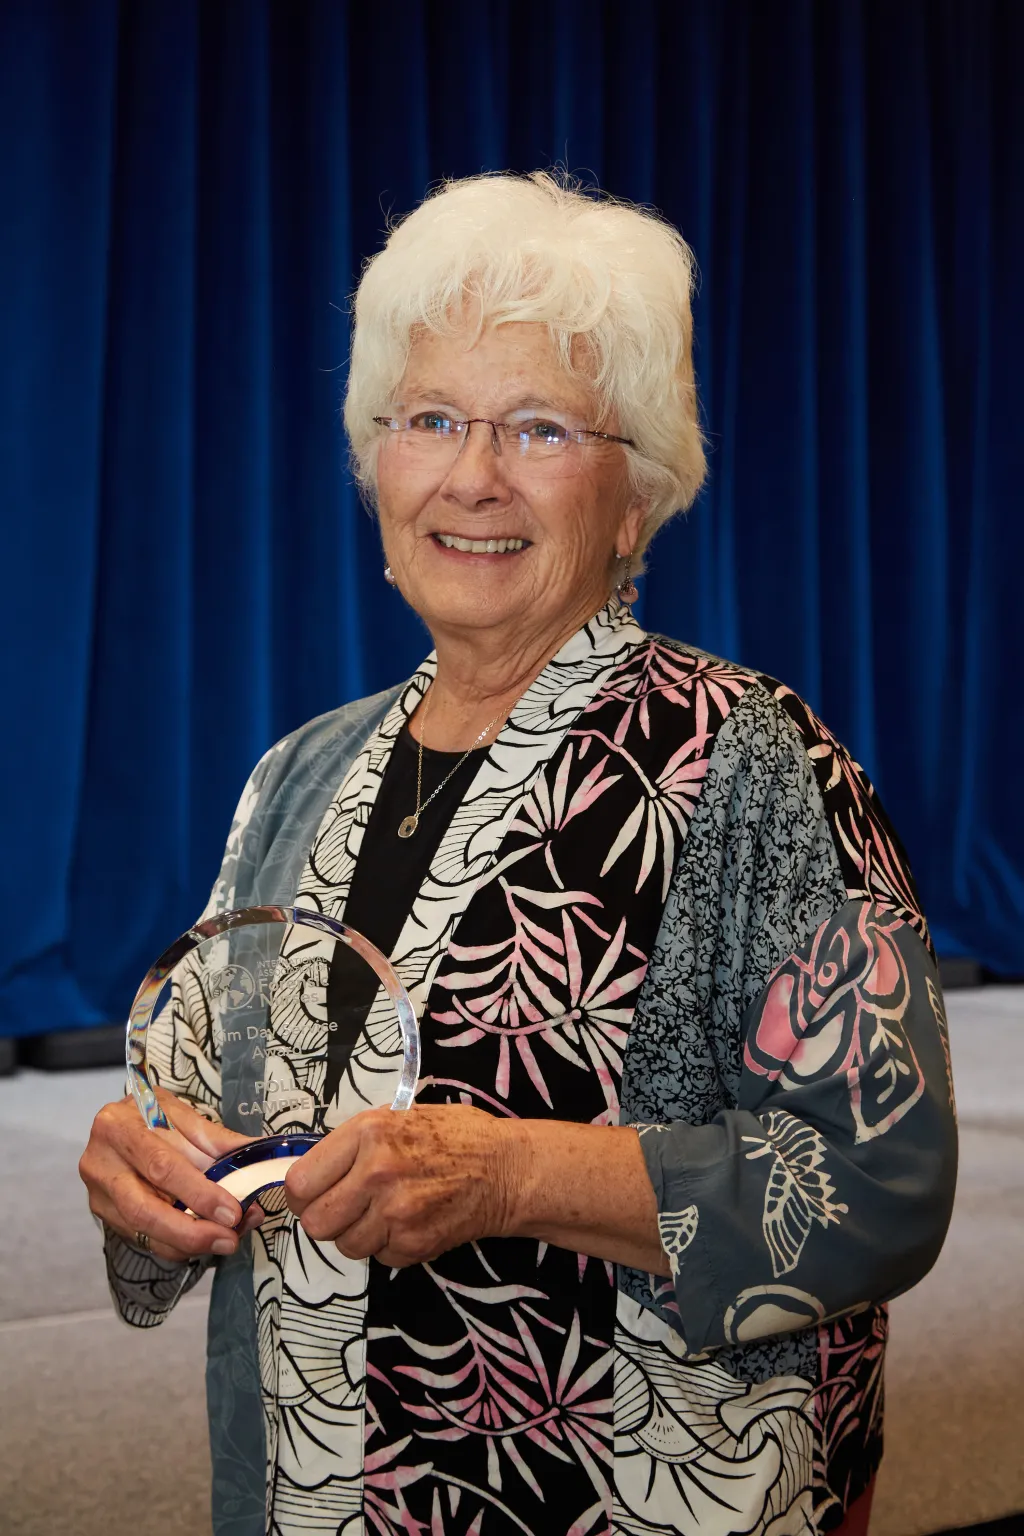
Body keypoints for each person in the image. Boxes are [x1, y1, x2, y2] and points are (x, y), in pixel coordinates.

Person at [80, 171, 957, 1536]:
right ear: (378, 459)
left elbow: (879, 1187)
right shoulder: (297, 773)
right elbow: (193, 1107)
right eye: (430, 418)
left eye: (539, 427)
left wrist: (511, 1176)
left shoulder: (750, 757)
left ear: (637, 494)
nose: (471, 475)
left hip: (636, 1498)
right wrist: (144, 1175)